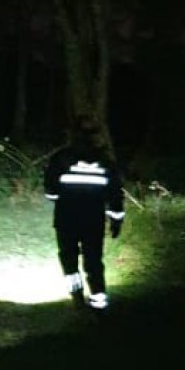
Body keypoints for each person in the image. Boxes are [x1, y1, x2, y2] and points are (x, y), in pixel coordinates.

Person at [43, 130, 126, 308]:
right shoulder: (105, 161)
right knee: (94, 259)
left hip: (66, 218)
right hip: (93, 219)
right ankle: (99, 300)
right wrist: (116, 220)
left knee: (68, 259)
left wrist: (63, 199)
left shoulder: (61, 158)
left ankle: (77, 298)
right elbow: (115, 194)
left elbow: (50, 191)